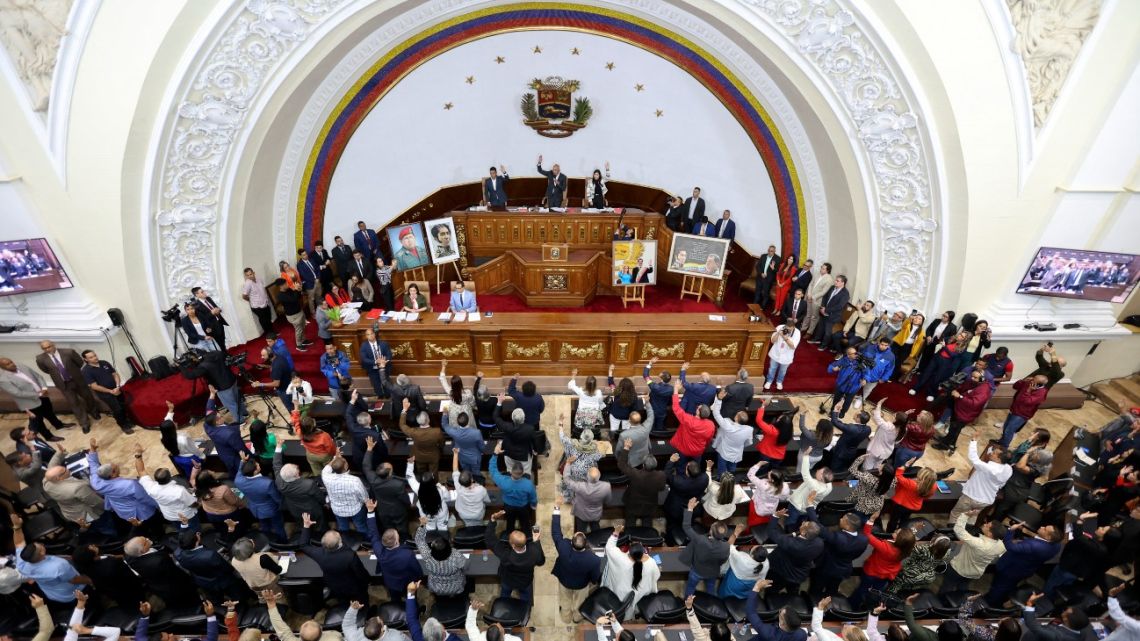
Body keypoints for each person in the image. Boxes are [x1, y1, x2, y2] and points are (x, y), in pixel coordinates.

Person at [10, 513, 89, 606]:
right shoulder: (59, 565)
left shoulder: (21, 564)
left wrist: (17, 527)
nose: (42, 545)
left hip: (52, 594)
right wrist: (91, 580)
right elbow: (74, 580)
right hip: (72, 595)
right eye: (41, 546)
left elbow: (19, 542)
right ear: (42, 553)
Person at [87, 439, 163, 534]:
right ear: (113, 474)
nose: (118, 466)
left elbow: (93, 465)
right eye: (115, 468)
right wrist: (160, 506)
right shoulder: (129, 485)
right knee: (155, 526)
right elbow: (146, 498)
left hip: (123, 511)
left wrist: (93, 450)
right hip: (141, 512)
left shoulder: (97, 481)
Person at [298, 512, 371, 604]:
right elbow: (361, 573)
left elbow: (303, 545)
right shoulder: (350, 555)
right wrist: (367, 581)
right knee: (362, 601)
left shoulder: (318, 553)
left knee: (342, 601)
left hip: (333, 585)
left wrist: (306, 526)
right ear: (339, 542)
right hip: (353, 587)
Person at [551, 495, 603, 623]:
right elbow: (595, 577)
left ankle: (566, 617)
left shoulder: (563, 547)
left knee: (565, 601)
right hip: (582, 585)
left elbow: (556, 532)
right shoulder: (593, 559)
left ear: (571, 542)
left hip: (564, 581)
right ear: (586, 544)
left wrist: (557, 508)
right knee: (580, 603)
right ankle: (577, 617)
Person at [985, 522, 1062, 605]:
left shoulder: (1033, 546)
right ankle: (1003, 597)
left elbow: (1010, 547)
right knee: (1010, 585)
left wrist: (1011, 530)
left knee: (998, 587)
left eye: (1045, 529)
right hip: (1026, 569)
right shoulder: (1057, 545)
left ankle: (988, 603)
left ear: (1048, 537)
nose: (1042, 526)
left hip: (1010, 569)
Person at [35, 340, 100, 434]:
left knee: (87, 396)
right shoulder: (40, 359)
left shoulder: (69, 352)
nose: (47, 349)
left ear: (53, 345)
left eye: (49, 346)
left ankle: (94, 412)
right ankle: (84, 423)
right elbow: (46, 370)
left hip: (77, 380)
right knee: (74, 403)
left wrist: (74, 372)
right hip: (63, 384)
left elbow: (79, 363)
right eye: (44, 348)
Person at [851, 519, 915, 609]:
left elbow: (867, 534)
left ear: (898, 539)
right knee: (876, 592)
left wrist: (871, 520)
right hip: (886, 576)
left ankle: (854, 605)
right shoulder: (906, 549)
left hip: (871, 572)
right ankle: (868, 605)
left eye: (897, 532)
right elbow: (910, 539)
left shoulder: (885, 547)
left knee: (863, 589)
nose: (895, 531)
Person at [485, 508, 545, 603]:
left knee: (505, 595)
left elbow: (489, 539)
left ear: (512, 545)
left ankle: (504, 605)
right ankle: (526, 610)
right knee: (526, 598)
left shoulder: (505, 554)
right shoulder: (534, 551)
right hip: (525, 581)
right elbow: (541, 562)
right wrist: (536, 541)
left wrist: (493, 520)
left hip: (507, 580)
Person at [939, 512, 1007, 595]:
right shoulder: (1001, 545)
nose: (984, 524)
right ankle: (960, 598)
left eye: (987, 526)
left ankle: (941, 600)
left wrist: (965, 515)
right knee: (963, 585)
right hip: (975, 572)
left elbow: (959, 530)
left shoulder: (979, 543)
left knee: (947, 586)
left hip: (958, 569)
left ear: (990, 534)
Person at [134, 442, 199, 529]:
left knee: (180, 530)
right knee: (194, 530)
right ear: (170, 477)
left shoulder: (151, 487)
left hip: (170, 516)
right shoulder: (179, 490)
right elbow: (192, 504)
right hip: (186, 516)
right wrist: (200, 502)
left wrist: (138, 455)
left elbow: (141, 471)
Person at [602, 525, 661, 620]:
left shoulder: (621, 559)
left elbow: (609, 547)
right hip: (639, 596)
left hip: (620, 594)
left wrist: (616, 532)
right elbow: (657, 575)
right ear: (643, 553)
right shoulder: (651, 563)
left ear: (629, 552)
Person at [806, 510, 868, 599]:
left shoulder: (838, 537)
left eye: (843, 519)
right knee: (832, 590)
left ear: (847, 526)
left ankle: (812, 604)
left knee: (815, 589)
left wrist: (810, 508)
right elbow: (857, 555)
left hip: (825, 568)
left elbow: (818, 527)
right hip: (842, 571)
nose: (840, 519)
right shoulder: (863, 540)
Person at [948, 438, 1012, 523]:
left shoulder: (989, 468)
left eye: (994, 453)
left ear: (999, 460)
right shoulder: (1008, 469)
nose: (991, 453)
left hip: (971, 497)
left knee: (956, 513)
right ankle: (966, 530)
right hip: (986, 501)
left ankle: (950, 531)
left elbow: (974, 458)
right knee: (971, 517)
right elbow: (1001, 485)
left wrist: (973, 441)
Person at [765, 510, 825, 594]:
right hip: (799, 575)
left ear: (804, 532)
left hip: (782, 573)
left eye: (805, 524)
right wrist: (795, 533)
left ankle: (769, 601)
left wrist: (775, 516)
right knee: (793, 591)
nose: (803, 522)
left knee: (772, 590)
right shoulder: (820, 543)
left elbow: (771, 532)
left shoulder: (791, 543)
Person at [273, 441, 327, 532]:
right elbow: (319, 497)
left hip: (294, 509)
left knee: (301, 523)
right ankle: (321, 533)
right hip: (312, 509)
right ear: (296, 475)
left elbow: (276, 464)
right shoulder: (308, 484)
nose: (297, 467)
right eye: (297, 469)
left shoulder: (279, 480)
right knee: (320, 524)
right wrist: (325, 502)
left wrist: (278, 446)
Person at [681, 497, 731, 596]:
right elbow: (722, 561)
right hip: (713, 572)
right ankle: (711, 603)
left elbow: (686, 526)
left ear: (711, 531)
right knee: (711, 587)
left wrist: (690, 508)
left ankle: (687, 602)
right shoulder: (726, 546)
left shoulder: (700, 540)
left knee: (691, 587)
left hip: (697, 571)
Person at [80, 349, 135, 433]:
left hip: (117, 389)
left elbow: (115, 374)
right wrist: (110, 391)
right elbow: (94, 386)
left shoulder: (104, 363)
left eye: (95, 355)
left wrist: (117, 386)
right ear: (86, 359)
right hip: (106, 394)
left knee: (123, 405)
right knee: (117, 409)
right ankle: (124, 426)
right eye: (91, 357)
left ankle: (127, 421)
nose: (95, 358)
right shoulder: (86, 371)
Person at [617, 438, 666, 527]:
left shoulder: (635, 474)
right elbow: (662, 488)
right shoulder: (661, 476)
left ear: (643, 465)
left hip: (632, 504)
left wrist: (626, 448)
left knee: (630, 524)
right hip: (650, 505)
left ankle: (629, 538)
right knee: (647, 523)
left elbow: (622, 465)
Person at [235, 457, 285, 541]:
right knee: (278, 526)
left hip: (255, 509)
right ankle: (283, 542)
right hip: (271, 509)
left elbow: (240, 471)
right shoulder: (267, 483)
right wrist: (281, 504)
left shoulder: (238, 480)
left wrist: (242, 461)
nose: (259, 465)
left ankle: (268, 540)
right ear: (255, 471)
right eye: (257, 465)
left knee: (264, 525)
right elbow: (277, 498)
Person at [489, 446, 538, 533]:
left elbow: (492, 470)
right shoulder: (528, 484)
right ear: (523, 473)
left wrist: (495, 454)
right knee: (525, 523)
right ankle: (526, 536)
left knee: (510, 523)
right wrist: (533, 505)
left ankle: (510, 536)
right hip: (523, 507)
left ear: (510, 472)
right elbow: (533, 498)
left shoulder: (503, 481)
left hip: (508, 506)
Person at [996, 374, 1050, 446]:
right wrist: (1022, 381)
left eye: (1034, 380)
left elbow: (1027, 402)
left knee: (1009, 430)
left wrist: (1028, 390)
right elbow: (1015, 386)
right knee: (1006, 428)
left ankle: (1003, 447)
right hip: (1014, 409)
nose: (1032, 381)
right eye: (1033, 379)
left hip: (1022, 414)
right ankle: (1001, 442)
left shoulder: (1041, 392)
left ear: (1039, 384)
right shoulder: (1029, 383)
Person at [664, 455, 709, 543]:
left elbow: (666, 475)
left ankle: (669, 540)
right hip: (693, 509)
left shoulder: (678, 481)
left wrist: (671, 461)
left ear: (687, 472)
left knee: (671, 525)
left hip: (675, 508)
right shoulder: (705, 478)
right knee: (688, 523)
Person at [669, 380, 716, 462]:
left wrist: (676, 390)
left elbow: (676, 408)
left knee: (681, 467)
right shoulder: (711, 425)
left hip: (684, 449)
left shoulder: (688, 420)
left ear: (698, 412)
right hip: (698, 450)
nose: (697, 407)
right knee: (696, 468)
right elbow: (709, 439)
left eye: (698, 407)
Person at [321, 455, 369, 532]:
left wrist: (335, 458)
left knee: (343, 527)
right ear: (346, 467)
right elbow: (363, 497)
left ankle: (345, 539)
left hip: (337, 510)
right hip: (355, 509)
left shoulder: (326, 477)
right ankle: (365, 540)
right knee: (361, 526)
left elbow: (327, 468)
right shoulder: (355, 480)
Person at [710, 394, 755, 475]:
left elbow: (716, 414)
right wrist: (740, 445)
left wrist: (719, 400)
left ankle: (722, 481)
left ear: (736, 418)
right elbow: (749, 443)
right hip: (736, 454)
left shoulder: (728, 425)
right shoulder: (749, 429)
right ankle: (730, 479)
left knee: (722, 470)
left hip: (724, 452)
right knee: (731, 470)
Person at [1021, 592, 1092, 641]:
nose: (1064, 611)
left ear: (1066, 619)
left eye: (1065, 611)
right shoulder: (1081, 632)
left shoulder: (1057, 636)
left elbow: (1033, 627)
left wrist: (1030, 604)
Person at [494, 399, 537, 475]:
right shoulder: (530, 429)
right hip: (524, 456)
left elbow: (496, 417)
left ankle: (512, 483)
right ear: (524, 418)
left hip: (509, 453)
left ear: (512, 418)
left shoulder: (507, 426)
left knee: (510, 471)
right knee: (526, 473)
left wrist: (499, 402)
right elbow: (534, 441)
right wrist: (535, 450)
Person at [561, 466, 610, 533]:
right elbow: (607, 501)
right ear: (599, 476)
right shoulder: (606, 486)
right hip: (596, 514)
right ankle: (597, 540)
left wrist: (567, 464)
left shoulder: (580, 486)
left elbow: (566, 479)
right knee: (596, 529)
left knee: (580, 532)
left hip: (581, 515)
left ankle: (580, 540)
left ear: (587, 476)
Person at [746, 461, 790, 530]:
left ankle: (752, 529)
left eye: (770, 474)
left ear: (772, 480)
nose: (768, 472)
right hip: (772, 509)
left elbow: (750, 475)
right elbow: (783, 498)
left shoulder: (763, 484)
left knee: (753, 521)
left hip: (759, 508)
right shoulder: (785, 487)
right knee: (768, 520)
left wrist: (759, 464)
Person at [857, 337, 896, 408]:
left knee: (868, 389)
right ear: (878, 343)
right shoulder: (869, 348)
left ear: (888, 346)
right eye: (882, 344)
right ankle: (847, 396)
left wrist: (884, 378)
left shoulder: (891, 356)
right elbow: (861, 358)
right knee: (855, 385)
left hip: (875, 377)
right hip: (862, 373)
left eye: (885, 345)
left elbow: (890, 369)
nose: (883, 347)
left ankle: (861, 399)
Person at [810, 275, 851, 343]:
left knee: (827, 332)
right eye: (835, 280)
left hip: (833, 315)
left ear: (843, 283)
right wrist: (822, 307)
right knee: (820, 327)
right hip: (824, 311)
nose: (835, 282)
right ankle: (816, 339)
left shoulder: (845, 293)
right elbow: (825, 297)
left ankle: (824, 345)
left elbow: (840, 306)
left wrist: (826, 310)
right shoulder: (832, 287)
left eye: (837, 281)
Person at [452, 454, 490, 525]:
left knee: (467, 524)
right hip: (478, 515)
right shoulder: (481, 489)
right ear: (472, 479)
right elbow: (487, 500)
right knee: (479, 523)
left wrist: (455, 454)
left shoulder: (458, 487)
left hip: (463, 515)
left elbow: (455, 469)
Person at [568, 368, 606, 436]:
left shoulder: (581, 391)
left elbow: (571, 386)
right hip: (593, 415)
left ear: (586, 383)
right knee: (592, 429)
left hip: (582, 414)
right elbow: (600, 402)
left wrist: (573, 375)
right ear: (595, 384)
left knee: (581, 429)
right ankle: (590, 437)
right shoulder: (598, 392)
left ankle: (583, 438)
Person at [274, 277, 310, 350]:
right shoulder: (280, 295)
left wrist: (299, 290)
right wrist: (296, 290)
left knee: (302, 326)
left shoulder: (288, 289)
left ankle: (303, 340)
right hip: (293, 315)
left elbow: (297, 297)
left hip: (299, 311)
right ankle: (299, 345)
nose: (287, 284)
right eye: (285, 283)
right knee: (298, 330)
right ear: (281, 286)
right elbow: (293, 299)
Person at [766, 318, 801, 390]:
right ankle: (769, 381)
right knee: (772, 368)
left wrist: (785, 338)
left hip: (786, 356)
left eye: (789, 328)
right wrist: (778, 333)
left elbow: (793, 346)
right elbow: (772, 341)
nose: (787, 329)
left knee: (782, 371)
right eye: (786, 327)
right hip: (775, 353)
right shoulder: (779, 327)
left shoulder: (797, 333)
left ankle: (779, 381)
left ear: (793, 327)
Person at [827, 347, 863, 417]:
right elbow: (831, 366)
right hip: (841, 384)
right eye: (854, 353)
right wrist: (833, 369)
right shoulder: (843, 360)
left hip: (853, 387)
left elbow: (867, 372)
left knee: (847, 402)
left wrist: (865, 379)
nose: (856, 355)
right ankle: (833, 412)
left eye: (856, 353)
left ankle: (842, 413)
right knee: (836, 399)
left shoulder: (860, 362)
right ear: (848, 355)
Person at [891, 312, 927, 380]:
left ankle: (892, 377)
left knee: (899, 362)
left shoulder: (922, 331)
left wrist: (913, 353)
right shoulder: (908, 324)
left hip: (907, 347)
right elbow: (904, 324)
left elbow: (918, 343)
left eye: (919, 319)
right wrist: (909, 318)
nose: (917, 319)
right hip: (898, 344)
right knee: (891, 358)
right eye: (916, 317)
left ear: (921, 322)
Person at [803, 262, 834, 338]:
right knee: (807, 314)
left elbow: (823, 292)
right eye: (821, 267)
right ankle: (803, 328)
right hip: (809, 296)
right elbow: (811, 284)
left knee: (814, 317)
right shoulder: (817, 274)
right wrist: (809, 294)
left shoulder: (829, 279)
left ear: (827, 270)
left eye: (823, 268)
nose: (821, 269)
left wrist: (813, 297)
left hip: (817, 301)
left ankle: (809, 332)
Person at [642, 357, 673, 430]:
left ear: (661, 378)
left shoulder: (654, 387)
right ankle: (658, 435)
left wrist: (650, 363)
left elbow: (645, 375)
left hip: (652, 410)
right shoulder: (671, 389)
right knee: (660, 427)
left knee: (651, 426)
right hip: (663, 411)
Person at [359, 327, 392, 397]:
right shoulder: (364, 346)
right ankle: (380, 396)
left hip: (384, 367)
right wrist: (375, 361)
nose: (370, 336)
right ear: (366, 336)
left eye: (371, 334)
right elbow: (364, 359)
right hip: (372, 368)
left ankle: (388, 396)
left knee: (386, 382)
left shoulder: (383, 344)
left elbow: (389, 355)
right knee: (376, 384)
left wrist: (384, 361)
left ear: (374, 334)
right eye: (368, 334)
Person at [754, 245, 781, 309]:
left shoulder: (778, 259)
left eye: (771, 251)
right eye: (768, 250)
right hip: (760, 278)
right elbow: (757, 266)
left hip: (768, 280)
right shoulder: (763, 256)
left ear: (774, 251)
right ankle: (754, 305)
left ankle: (762, 307)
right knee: (757, 292)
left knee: (765, 294)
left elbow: (778, 271)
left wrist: (773, 268)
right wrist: (761, 273)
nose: (769, 252)